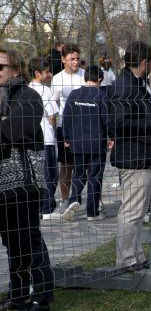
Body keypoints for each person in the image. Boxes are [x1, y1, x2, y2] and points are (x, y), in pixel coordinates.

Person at [0, 46, 54, 311]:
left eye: (1, 67)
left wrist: (6, 125)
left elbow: (18, 130)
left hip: (24, 182)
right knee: (12, 242)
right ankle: (18, 295)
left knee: (29, 239)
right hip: (2, 185)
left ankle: (42, 298)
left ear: (16, 69)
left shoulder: (29, 96)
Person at [108, 41, 151, 270]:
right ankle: (126, 259)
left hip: (141, 155)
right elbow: (116, 124)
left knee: (137, 211)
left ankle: (136, 255)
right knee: (131, 211)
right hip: (132, 157)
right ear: (144, 62)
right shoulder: (124, 85)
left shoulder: (135, 83)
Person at [61, 65, 110, 222]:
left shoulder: (74, 95)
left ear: (85, 77)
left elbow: (66, 118)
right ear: (100, 80)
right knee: (95, 177)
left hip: (78, 144)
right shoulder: (101, 95)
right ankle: (92, 211)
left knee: (79, 174)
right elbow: (106, 120)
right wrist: (112, 137)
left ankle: (74, 199)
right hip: (97, 144)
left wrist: (66, 138)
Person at [50, 43, 85, 208]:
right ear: (63, 59)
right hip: (66, 126)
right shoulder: (57, 79)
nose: (76, 62)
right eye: (72, 59)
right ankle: (65, 200)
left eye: (77, 59)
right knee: (66, 165)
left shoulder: (85, 76)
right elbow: (53, 104)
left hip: (85, 126)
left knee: (86, 165)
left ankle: (91, 200)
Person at [27, 58, 60, 220]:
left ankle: (39, 206)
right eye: (47, 72)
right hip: (46, 139)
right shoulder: (45, 91)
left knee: (37, 176)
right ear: (37, 73)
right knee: (51, 175)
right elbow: (52, 116)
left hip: (31, 139)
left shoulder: (26, 90)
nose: (50, 75)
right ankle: (47, 208)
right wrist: (53, 129)